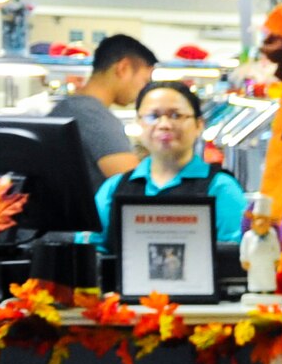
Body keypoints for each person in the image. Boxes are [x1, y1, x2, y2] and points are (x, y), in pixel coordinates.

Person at [94, 80, 247, 243]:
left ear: (198, 125)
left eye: (176, 115)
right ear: (139, 123)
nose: (164, 125)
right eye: (153, 116)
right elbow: (93, 249)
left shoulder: (221, 188)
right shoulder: (113, 188)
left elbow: (234, 258)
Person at [52, 33, 154, 180]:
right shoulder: (94, 116)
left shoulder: (68, 107)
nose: (143, 89)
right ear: (123, 68)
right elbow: (132, 184)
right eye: (144, 80)